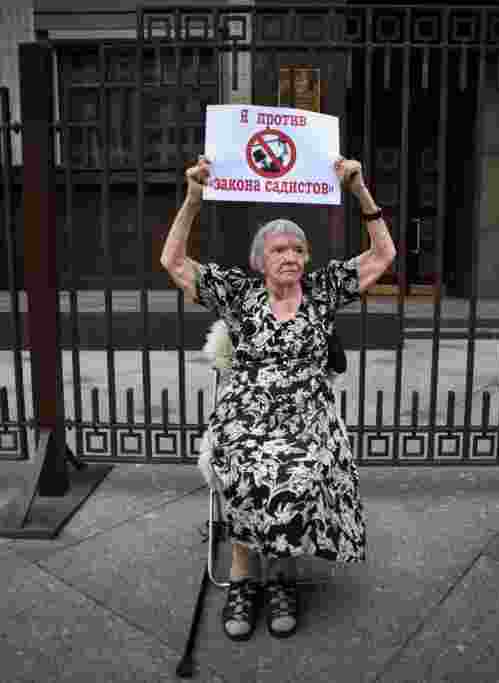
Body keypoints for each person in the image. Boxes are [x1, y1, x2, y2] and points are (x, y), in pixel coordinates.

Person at [159, 154, 395, 640]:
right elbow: (173, 261)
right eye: (278, 249)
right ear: (259, 260)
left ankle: (282, 573)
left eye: (297, 249)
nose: (289, 256)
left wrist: (360, 193)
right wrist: (193, 199)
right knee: (241, 462)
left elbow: (382, 256)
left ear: (307, 258)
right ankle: (246, 576)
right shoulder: (239, 294)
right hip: (246, 411)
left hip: (308, 412)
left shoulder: (324, 290)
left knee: (304, 466)